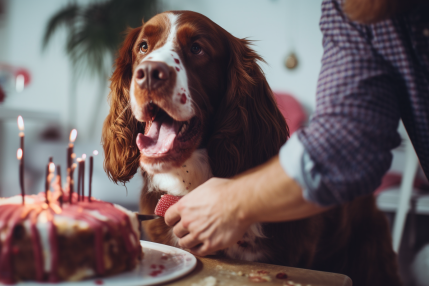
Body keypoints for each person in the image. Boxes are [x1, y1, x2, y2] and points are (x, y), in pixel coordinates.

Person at [165, 0, 429, 256]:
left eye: (197, 49)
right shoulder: (351, 8)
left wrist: (231, 203)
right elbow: (349, 138)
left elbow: (345, 145)